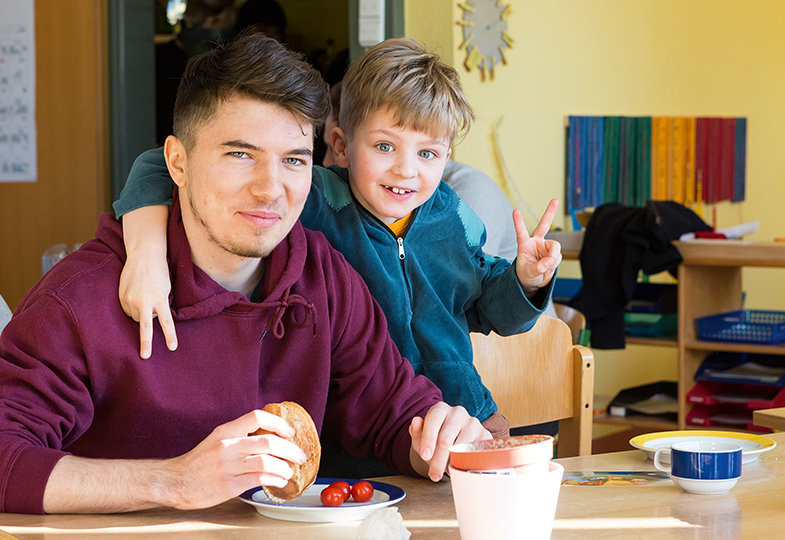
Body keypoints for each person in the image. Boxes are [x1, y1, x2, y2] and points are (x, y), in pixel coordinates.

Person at [0, 34, 490, 515]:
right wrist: (173, 481)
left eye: (293, 161)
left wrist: (438, 437)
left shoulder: (325, 278)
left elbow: (393, 414)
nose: (269, 189)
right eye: (240, 154)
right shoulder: (81, 298)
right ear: (177, 162)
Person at [113, 38, 561, 441]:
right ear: (342, 146)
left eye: (427, 153)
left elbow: (489, 311)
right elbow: (160, 164)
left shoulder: (456, 218)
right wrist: (147, 251)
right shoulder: (316, 199)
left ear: (447, 157)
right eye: (385, 147)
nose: (406, 170)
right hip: (355, 433)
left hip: (463, 418)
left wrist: (527, 281)